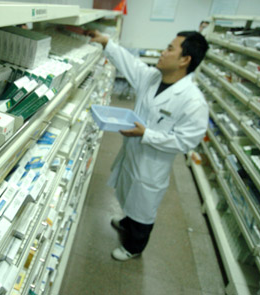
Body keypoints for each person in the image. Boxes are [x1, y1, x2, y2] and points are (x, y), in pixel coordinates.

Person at [88, 30, 209, 261]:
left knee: (143, 209)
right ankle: (126, 221)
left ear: (185, 60)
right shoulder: (153, 77)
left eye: (170, 49)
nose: (163, 52)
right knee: (127, 194)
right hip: (132, 154)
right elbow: (129, 63)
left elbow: (186, 141)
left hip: (151, 167)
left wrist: (148, 135)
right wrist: (107, 43)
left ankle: (133, 248)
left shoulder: (193, 101)